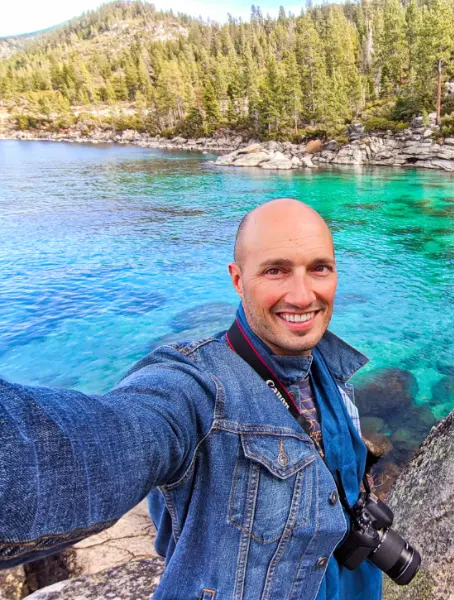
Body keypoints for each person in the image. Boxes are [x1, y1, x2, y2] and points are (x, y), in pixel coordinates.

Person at [0, 199, 383, 600]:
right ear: (237, 280)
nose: (304, 296)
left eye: (319, 268)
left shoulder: (326, 364)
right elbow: (105, 440)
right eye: (276, 270)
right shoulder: (196, 388)